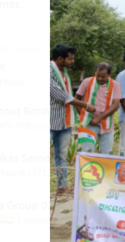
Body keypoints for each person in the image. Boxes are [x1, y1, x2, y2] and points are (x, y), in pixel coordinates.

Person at [50, 44, 96, 194]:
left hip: (64, 121)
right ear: (60, 58)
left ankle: (62, 187)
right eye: (70, 59)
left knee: (62, 155)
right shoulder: (48, 71)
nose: (72, 61)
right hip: (50, 120)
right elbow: (60, 95)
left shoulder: (64, 72)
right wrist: (85, 105)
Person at [75, 63, 121, 154]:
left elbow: (115, 105)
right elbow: (77, 100)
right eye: (97, 76)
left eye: (103, 77)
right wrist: (83, 115)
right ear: (95, 73)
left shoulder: (115, 85)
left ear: (110, 74)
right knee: (87, 152)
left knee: (106, 153)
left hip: (107, 125)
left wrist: (99, 118)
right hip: (90, 124)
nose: (100, 79)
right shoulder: (87, 82)